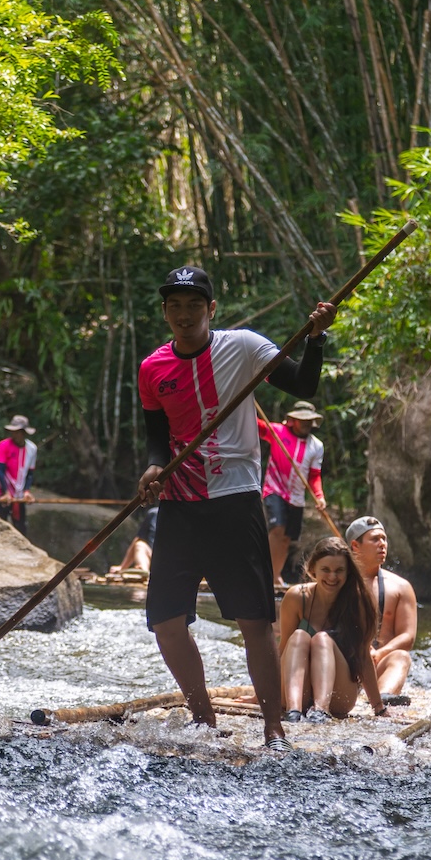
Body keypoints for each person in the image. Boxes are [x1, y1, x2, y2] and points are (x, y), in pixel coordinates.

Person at [135, 263, 337, 754]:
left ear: (211, 309)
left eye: (194, 305)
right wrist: (153, 470)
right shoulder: (152, 369)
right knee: (164, 619)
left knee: (252, 619)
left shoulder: (243, 346)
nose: (184, 314)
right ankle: (202, 717)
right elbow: (156, 441)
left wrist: (316, 338)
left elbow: (303, 386)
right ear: (165, 311)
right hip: (181, 504)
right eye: (175, 306)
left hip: (236, 499)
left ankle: (273, 727)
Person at [277, 537, 389, 721]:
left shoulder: (358, 602)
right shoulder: (297, 597)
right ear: (313, 570)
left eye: (339, 571)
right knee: (298, 636)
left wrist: (379, 707)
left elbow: (363, 656)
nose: (332, 577)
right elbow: (283, 650)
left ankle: (320, 712)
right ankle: (293, 712)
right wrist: (259, 696)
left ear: (348, 572)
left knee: (322, 639)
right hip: (298, 690)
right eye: (326, 570)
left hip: (337, 693)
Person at [345, 516, 417, 705]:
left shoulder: (401, 587)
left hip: (378, 663)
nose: (382, 544)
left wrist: (379, 653)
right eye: (375, 539)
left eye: (384, 539)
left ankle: (383, 698)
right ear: (355, 545)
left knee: (401, 656)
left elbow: (408, 636)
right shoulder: (337, 583)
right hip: (345, 664)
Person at [259, 401, 326, 586]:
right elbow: (256, 426)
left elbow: (314, 475)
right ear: (292, 420)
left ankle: (275, 575)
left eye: (308, 421)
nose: (305, 424)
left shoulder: (316, 446)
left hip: (296, 497)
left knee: (287, 538)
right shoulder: (277, 432)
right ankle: (266, 574)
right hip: (275, 489)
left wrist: (319, 496)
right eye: (301, 420)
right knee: (277, 529)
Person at [0, 415, 37, 535]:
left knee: (20, 529)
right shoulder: (4, 445)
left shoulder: (32, 448)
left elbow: (30, 473)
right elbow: (0, 470)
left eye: (18, 432)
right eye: (13, 432)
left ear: (24, 433)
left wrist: (27, 491)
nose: (14, 435)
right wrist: (6, 492)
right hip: (3, 492)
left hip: (19, 495)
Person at [112, 505, 158, 576]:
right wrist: (122, 567)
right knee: (140, 545)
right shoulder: (153, 514)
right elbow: (138, 539)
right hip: (153, 556)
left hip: (171, 558)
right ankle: (144, 572)